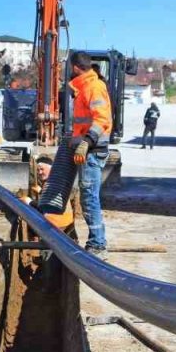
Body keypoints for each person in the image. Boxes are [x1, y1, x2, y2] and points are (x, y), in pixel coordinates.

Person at [68, 52, 112, 255]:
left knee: (89, 197)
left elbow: (102, 119)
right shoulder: (84, 87)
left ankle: (98, 244)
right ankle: (96, 242)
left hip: (92, 151)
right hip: (88, 149)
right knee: (87, 196)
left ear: (76, 68)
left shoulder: (93, 87)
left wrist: (86, 142)